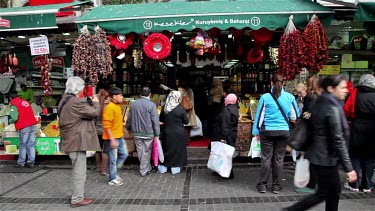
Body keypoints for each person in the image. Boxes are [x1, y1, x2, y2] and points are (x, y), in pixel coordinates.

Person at [284, 75, 357, 211]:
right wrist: (349, 168)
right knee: (325, 193)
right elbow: (338, 139)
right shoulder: (332, 107)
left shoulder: (320, 103)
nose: (346, 90)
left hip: (321, 155)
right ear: (331, 88)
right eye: (342, 87)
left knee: (332, 192)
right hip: (326, 157)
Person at [252, 73, 299, 194]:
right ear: (283, 83)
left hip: (267, 132)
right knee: (279, 159)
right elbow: (295, 116)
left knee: (266, 158)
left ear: (271, 83)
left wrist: (256, 132)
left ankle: (262, 185)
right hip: (283, 132)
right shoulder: (290, 97)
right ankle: (276, 186)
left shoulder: (265, 97)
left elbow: (259, 116)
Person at [58, 76, 101, 208]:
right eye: (82, 88)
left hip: (69, 139)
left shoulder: (64, 100)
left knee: (77, 168)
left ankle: (77, 195)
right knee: (79, 171)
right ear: (79, 89)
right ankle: (77, 199)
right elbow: (94, 113)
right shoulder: (76, 102)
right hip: (76, 141)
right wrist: (96, 102)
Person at [343, 74, 375, 193]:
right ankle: (367, 185)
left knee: (355, 157)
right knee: (369, 159)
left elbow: (346, 110)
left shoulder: (354, 94)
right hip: (372, 131)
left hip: (356, 128)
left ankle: (354, 184)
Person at [295, 75, 322, 194]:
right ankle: (317, 183)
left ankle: (312, 185)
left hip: (314, 132)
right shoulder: (319, 97)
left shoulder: (311, 97)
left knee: (312, 159)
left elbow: (308, 115)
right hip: (319, 132)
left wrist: (304, 117)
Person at [126, 87, 160, 177]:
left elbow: (129, 118)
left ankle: (147, 168)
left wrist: (128, 127)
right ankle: (143, 170)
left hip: (136, 132)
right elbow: (155, 121)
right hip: (148, 132)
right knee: (147, 152)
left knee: (140, 151)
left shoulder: (133, 104)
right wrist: (157, 133)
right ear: (150, 94)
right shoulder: (152, 105)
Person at [158, 91, 189, 174]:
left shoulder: (164, 107)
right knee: (177, 150)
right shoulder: (180, 108)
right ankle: (175, 168)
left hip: (167, 132)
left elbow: (161, 119)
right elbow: (186, 121)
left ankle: (164, 167)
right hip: (178, 133)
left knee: (166, 149)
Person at [102, 87, 128, 186]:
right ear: (114, 96)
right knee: (113, 159)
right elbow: (107, 125)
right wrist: (112, 139)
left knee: (124, 154)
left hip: (119, 136)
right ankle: (112, 178)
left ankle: (114, 173)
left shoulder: (117, 106)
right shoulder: (109, 108)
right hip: (112, 138)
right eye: (120, 95)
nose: (122, 97)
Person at [9, 91, 37, 168]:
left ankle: (21, 162)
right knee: (31, 145)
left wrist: (10, 121)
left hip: (24, 126)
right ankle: (31, 162)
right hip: (33, 125)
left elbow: (14, 117)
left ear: (10, 98)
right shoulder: (25, 102)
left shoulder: (14, 104)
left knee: (23, 145)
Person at [215, 93, 239, 179]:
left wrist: (223, 137)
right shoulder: (235, 108)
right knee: (229, 153)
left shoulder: (227, 110)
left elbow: (225, 124)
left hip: (227, 134)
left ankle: (227, 173)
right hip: (232, 134)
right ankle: (228, 172)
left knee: (225, 154)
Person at [95, 89, 110, 176]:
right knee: (105, 150)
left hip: (97, 129)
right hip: (105, 130)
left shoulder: (96, 106)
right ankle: (104, 169)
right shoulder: (107, 106)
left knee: (97, 149)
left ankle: (98, 166)